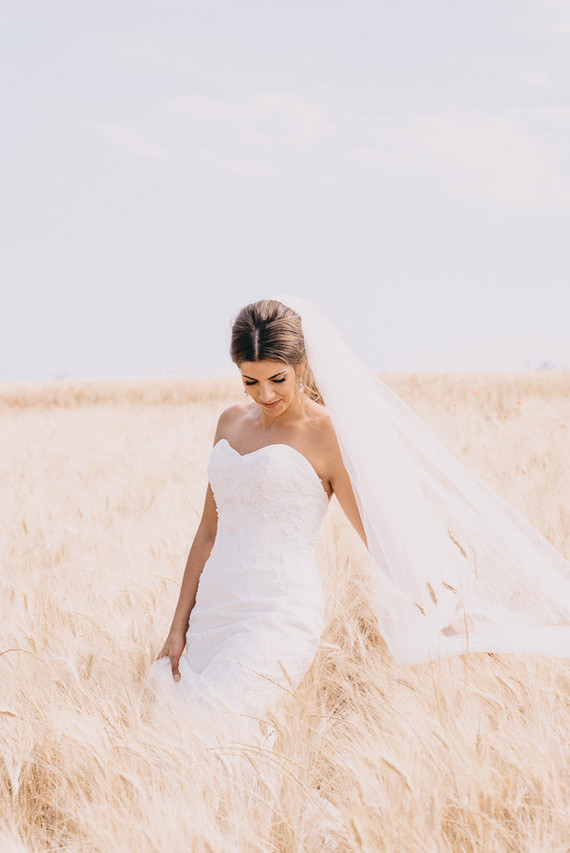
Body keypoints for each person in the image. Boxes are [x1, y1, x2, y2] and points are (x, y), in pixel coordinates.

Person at [148, 296, 570, 743]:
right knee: (177, 733)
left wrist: (439, 604)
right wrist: (178, 628)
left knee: (225, 727)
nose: (265, 394)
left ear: (302, 366)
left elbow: (375, 533)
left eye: (277, 378)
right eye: (250, 381)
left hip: (277, 613)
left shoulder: (327, 435)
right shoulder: (229, 422)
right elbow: (208, 532)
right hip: (213, 612)